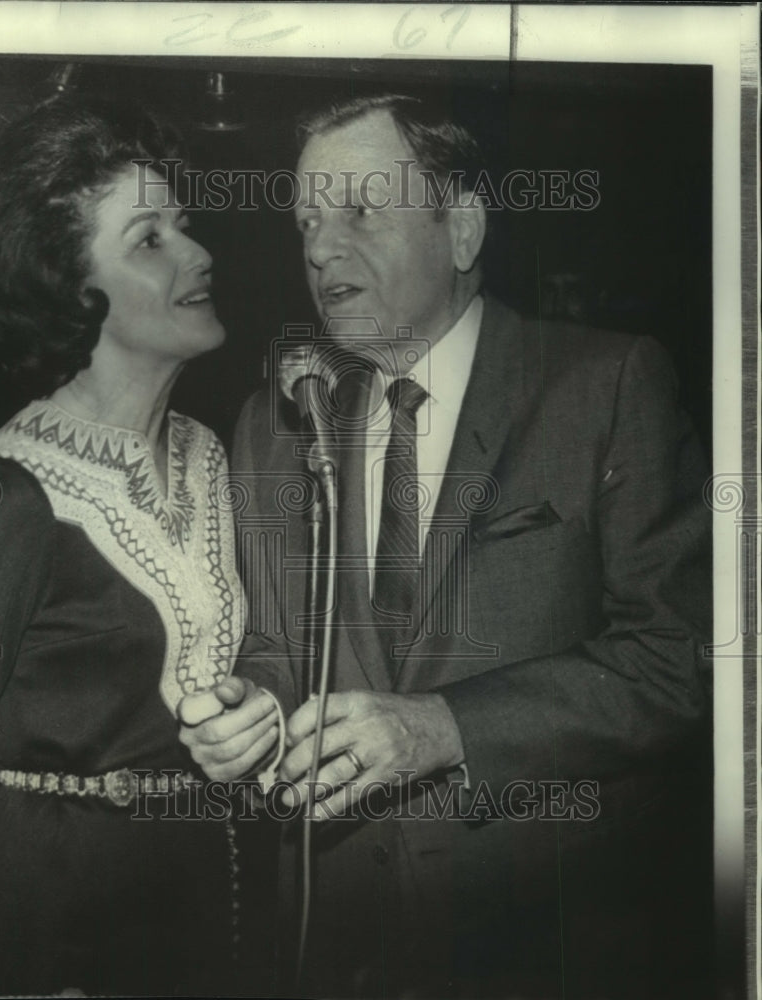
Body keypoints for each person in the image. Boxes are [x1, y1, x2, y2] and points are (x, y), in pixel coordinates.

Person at [179, 93, 713, 998]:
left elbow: (681, 658)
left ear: (461, 228)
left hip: (541, 938)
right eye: (307, 219)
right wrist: (251, 713)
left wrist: (446, 727)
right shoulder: (273, 421)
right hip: (335, 943)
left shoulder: (606, 385)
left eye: (357, 210)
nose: (317, 248)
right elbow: (273, 646)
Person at [0, 100, 248, 997]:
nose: (196, 252)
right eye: (149, 239)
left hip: (199, 908)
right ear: (70, 292)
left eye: (184, 224)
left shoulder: (211, 453)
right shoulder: (9, 493)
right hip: (57, 922)